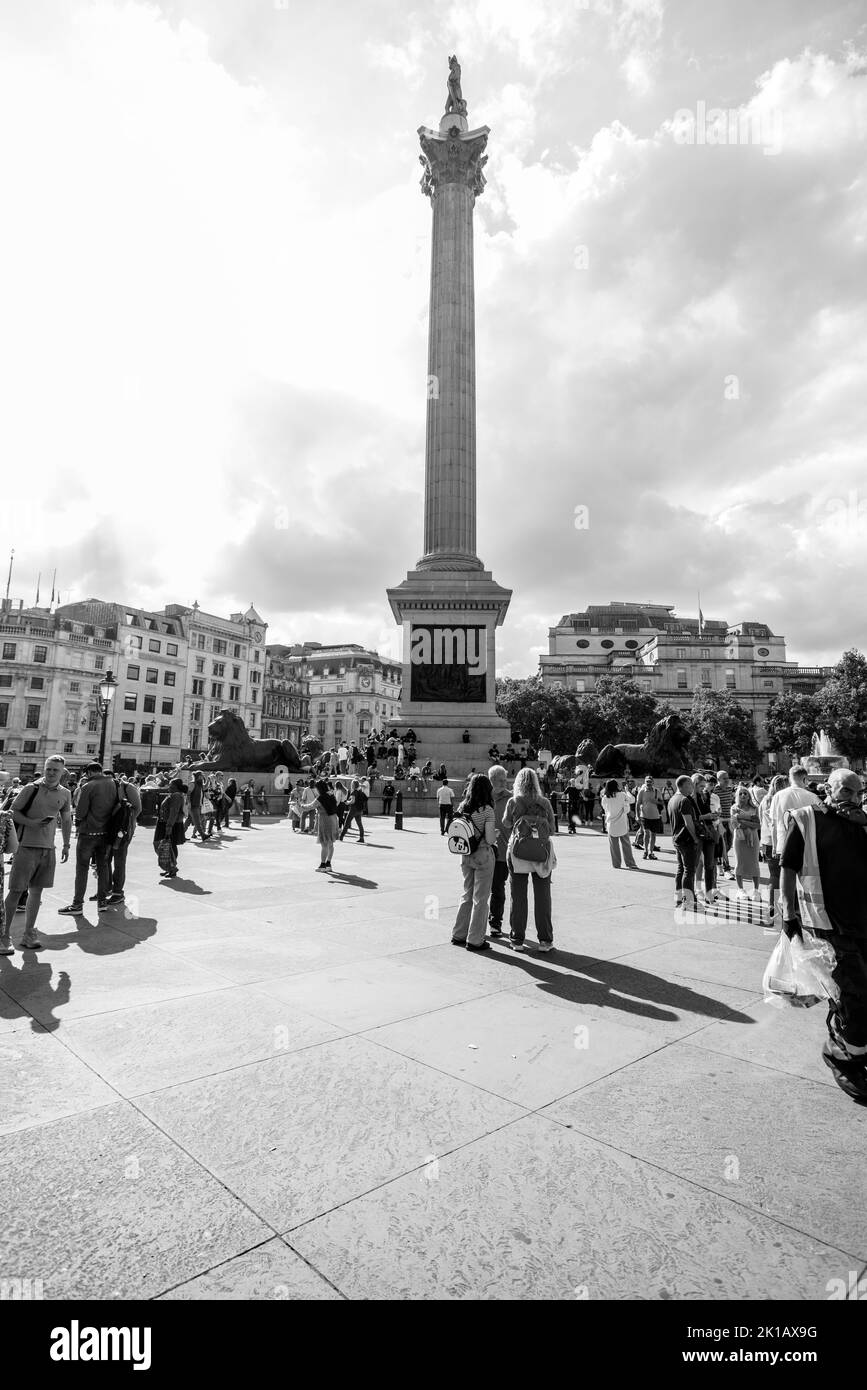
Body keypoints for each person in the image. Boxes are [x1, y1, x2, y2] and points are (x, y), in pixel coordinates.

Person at [779, 769, 867, 1102]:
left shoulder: (860, 822)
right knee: (855, 993)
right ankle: (842, 1055)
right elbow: (787, 868)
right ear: (826, 789)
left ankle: (849, 1042)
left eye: (856, 791)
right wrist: (788, 916)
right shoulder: (805, 818)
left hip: (861, 921)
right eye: (843, 789)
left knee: (850, 993)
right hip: (827, 923)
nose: (850, 795)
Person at [1, 759, 72, 952]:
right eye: (48, 769)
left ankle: (29, 933)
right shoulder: (30, 789)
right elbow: (11, 812)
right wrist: (32, 823)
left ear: (62, 772)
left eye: (55, 770)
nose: (50, 773)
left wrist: (66, 844)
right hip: (25, 847)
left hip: (48, 848)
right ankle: (4, 935)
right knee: (16, 891)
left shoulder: (65, 793)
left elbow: (66, 819)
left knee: (37, 892)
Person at [502, 767, 556, 951]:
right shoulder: (545, 802)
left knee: (518, 896)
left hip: (518, 852)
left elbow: (506, 823)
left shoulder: (513, 801)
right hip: (541, 852)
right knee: (543, 897)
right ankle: (545, 940)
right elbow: (552, 830)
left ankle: (517, 939)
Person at [58, 761, 117, 916]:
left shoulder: (88, 786)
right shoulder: (114, 784)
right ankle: (102, 901)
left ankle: (77, 904)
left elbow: (81, 812)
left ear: (90, 772)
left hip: (88, 832)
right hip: (106, 833)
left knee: (82, 868)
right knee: (103, 867)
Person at [450, 773, 498, 952]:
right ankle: (475, 939)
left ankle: (459, 934)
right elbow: (491, 839)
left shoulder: (463, 806)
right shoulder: (487, 810)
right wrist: (496, 834)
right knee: (481, 899)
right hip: (482, 856)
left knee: (466, 894)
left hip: (465, 855)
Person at [770, 765, 822, 862]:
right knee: (805, 876)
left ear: (790, 778)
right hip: (806, 844)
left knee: (786, 876)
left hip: (784, 843)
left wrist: (774, 846)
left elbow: (774, 823)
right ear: (805, 779)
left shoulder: (777, 796)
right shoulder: (813, 797)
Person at [667, 774, 702, 907]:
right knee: (689, 870)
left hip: (676, 838)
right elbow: (688, 823)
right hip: (686, 840)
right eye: (690, 785)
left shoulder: (672, 800)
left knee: (681, 868)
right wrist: (695, 838)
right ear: (684, 785)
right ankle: (689, 900)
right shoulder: (684, 800)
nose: (692, 787)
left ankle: (678, 896)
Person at [106, 773, 141, 906]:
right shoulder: (105, 789)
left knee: (119, 860)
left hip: (123, 830)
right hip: (108, 828)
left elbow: (138, 808)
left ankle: (117, 892)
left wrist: (126, 822)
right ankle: (106, 888)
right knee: (105, 859)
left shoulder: (128, 788)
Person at [760, 773, 787, 929]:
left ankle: (771, 908)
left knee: (773, 876)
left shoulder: (765, 800)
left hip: (767, 842)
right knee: (782, 876)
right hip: (779, 841)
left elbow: (761, 821)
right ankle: (778, 909)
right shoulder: (781, 800)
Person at [487, 765, 510, 937]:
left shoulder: (511, 799)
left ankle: (495, 923)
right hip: (483, 852)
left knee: (498, 889)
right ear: (492, 780)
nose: (504, 783)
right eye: (501, 780)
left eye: (505, 780)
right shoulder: (484, 797)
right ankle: (478, 921)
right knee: (479, 889)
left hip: (502, 852)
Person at [691, 773, 720, 903]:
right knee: (696, 863)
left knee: (710, 864)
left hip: (709, 830)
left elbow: (706, 812)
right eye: (701, 786)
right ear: (694, 785)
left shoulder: (706, 795)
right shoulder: (690, 798)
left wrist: (714, 816)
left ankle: (709, 893)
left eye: (705, 786)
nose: (704, 788)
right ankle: (697, 890)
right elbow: (693, 817)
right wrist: (708, 816)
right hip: (698, 832)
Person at [731, 786, 761, 901]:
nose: (743, 795)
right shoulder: (734, 808)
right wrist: (749, 821)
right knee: (740, 863)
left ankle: (756, 891)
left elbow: (758, 825)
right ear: (737, 796)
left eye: (745, 793)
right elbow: (734, 825)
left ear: (749, 796)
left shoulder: (755, 808)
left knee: (754, 863)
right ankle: (740, 890)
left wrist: (741, 819)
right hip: (739, 838)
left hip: (754, 837)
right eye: (740, 793)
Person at [600, 779, 637, 870]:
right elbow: (632, 800)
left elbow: (605, 809)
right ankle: (630, 863)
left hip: (611, 823)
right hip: (622, 822)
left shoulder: (605, 797)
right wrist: (627, 790)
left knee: (614, 846)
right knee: (626, 844)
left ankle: (616, 864)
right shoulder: (622, 794)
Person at [154, 778, 186, 877]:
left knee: (166, 845)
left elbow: (174, 812)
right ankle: (170, 867)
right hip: (166, 823)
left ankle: (172, 867)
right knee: (168, 846)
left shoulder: (176, 795)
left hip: (169, 824)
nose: (169, 786)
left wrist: (169, 826)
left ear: (176, 787)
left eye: (171, 785)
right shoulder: (174, 794)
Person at [310, 779, 339, 871]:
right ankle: (328, 864)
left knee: (324, 844)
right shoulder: (331, 794)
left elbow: (310, 806)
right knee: (330, 844)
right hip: (334, 819)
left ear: (319, 788)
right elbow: (336, 805)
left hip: (325, 820)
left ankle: (322, 865)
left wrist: (299, 805)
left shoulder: (320, 798)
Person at [635, 775, 661, 859]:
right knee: (646, 834)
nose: (648, 783)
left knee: (653, 834)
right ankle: (645, 851)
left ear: (653, 782)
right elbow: (638, 803)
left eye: (650, 781)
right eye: (647, 781)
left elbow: (663, 803)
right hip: (644, 816)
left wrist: (656, 801)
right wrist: (637, 815)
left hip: (655, 816)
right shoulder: (642, 791)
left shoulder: (657, 791)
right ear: (645, 782)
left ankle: (651, 852)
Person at [715, 770, 736, 875]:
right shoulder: (715, 790)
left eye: (728, 777)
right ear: (718, 780)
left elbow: (732, 803)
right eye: (724, 778)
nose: (727, 780)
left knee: (729, 844)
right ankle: (726, 868)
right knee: (723, 845)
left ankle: (719, 861)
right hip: (720, 821)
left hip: (729, 820)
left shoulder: (729, 789)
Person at [189, 771, 209, 840]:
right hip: (193, 805)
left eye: (202, 776)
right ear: (197, 776)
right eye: (201, 776)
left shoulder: (200, 784)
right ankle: (203, 835)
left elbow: (205, 787)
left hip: (198, 805)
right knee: (197, 821)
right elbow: (188, 794)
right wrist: (188, 804)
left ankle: (181, 835)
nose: (202, 777)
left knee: (191, 821)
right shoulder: (193, 783)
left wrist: (208, 780)